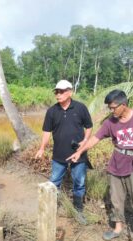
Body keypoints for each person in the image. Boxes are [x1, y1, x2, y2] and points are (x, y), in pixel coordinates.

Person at [67, 89, 133, 241]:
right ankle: (117, 228)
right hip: (116, 165)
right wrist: (80, 152)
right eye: (109, 107)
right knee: (116, 199)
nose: (111, 110)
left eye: (113, 107)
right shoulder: (111, 122)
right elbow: (95, 138)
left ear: (124, 105)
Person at [35, 79, 93, 224]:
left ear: (70, 92)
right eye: (56, 92)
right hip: (58, 155)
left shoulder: (80, 108)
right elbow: (47, 132)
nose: (58, 94)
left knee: (79, 183)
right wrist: (42, 148)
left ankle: (78, 211)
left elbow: (89, 126)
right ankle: (51, 209)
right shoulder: (52, 111)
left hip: (78, 154)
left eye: (61, 91)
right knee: (54, 183)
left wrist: (85, 141)